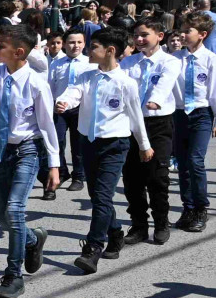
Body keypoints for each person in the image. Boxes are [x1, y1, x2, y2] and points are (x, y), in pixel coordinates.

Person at [56, 27, 151, 275]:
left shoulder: (126, 83)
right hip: (89, 142)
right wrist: (64, 101)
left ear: (110, 51)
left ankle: (93, 248)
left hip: (115, 145)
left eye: (94, 46)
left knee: (102, 196)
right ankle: (116, 232)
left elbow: (135, 115)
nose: (89, 50)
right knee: (98, 196)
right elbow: (74, 92)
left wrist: (144, 145)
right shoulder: (88, 76)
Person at [0, 23, 61, 298]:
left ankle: (13, 275)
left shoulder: (36, 82)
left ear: (19, 52)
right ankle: (33, 239)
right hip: (0, 150)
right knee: (0, 215)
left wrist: (54, 164)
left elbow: (47, 125)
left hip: (27, 149)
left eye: (1, 45)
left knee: (14, 211)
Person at [121, 19, 182, 246]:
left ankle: (161, 222)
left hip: (158, 123)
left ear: (159, 36)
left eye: (144, 35)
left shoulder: (170, 62)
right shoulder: (128, 63)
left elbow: (164, 85)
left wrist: (155, 100)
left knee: (157, 177)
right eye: (136, 35)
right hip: (130, 124)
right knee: (132, 178)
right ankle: (138, 225)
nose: (139, 40)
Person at [172, 13, 216, 232]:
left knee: (196, 161)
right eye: (182, 30)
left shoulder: (213, 60)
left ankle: (201, 208)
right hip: (178, 114)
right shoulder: (174, 58)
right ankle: (188, 207)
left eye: (188, 31)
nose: (183, 35)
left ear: (202, 35)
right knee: (182, 163)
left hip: (201, 113)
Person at [47, 29, 93, 196]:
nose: (76, 46)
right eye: (72, 42)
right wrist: (51, 104)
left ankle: (78, 176)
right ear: (65, 44)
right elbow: (50, 86)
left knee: (78, 143)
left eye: (79, 42)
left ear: (84, 44)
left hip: (80, 108)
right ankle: (62, 170)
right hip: (59, 108)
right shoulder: (57, 63)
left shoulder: (89, 63)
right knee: (58, 141)